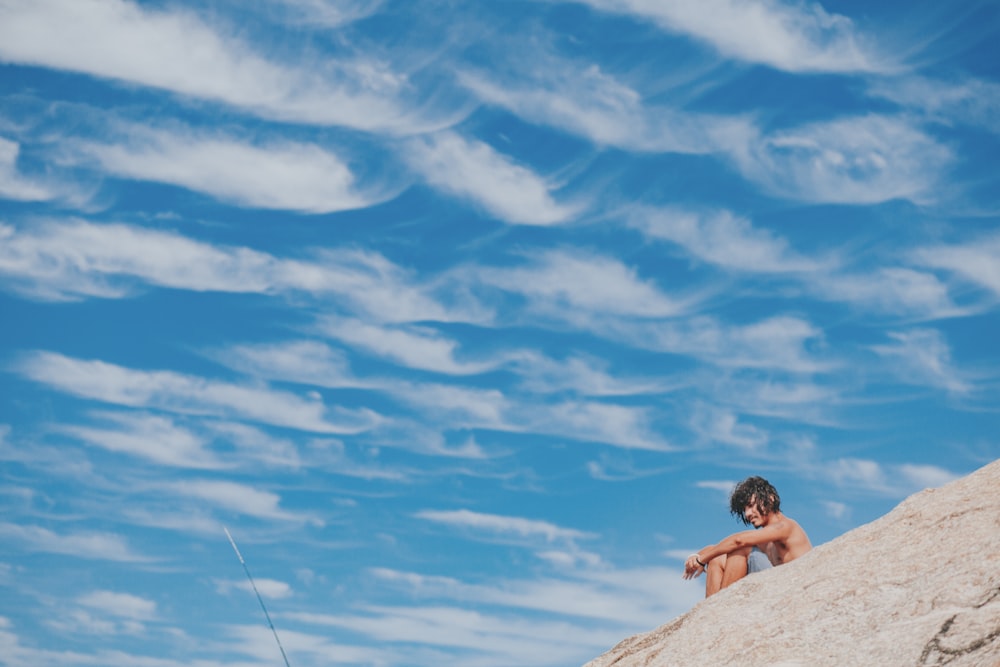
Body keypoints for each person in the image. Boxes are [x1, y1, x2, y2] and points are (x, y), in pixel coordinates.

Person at [682, 476, 812, 597]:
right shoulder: (766, 538)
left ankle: (722, 606)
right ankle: (709, 613)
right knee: (717, 559)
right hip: (775, 584)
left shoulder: (784, 526)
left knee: (740, 549)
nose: (748, 514)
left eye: (750, 506)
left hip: (795, 588)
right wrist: (696, 558)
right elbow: (720, 548)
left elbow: (738, 541)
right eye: (745, 510)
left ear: (770, 499)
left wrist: (702, 560)